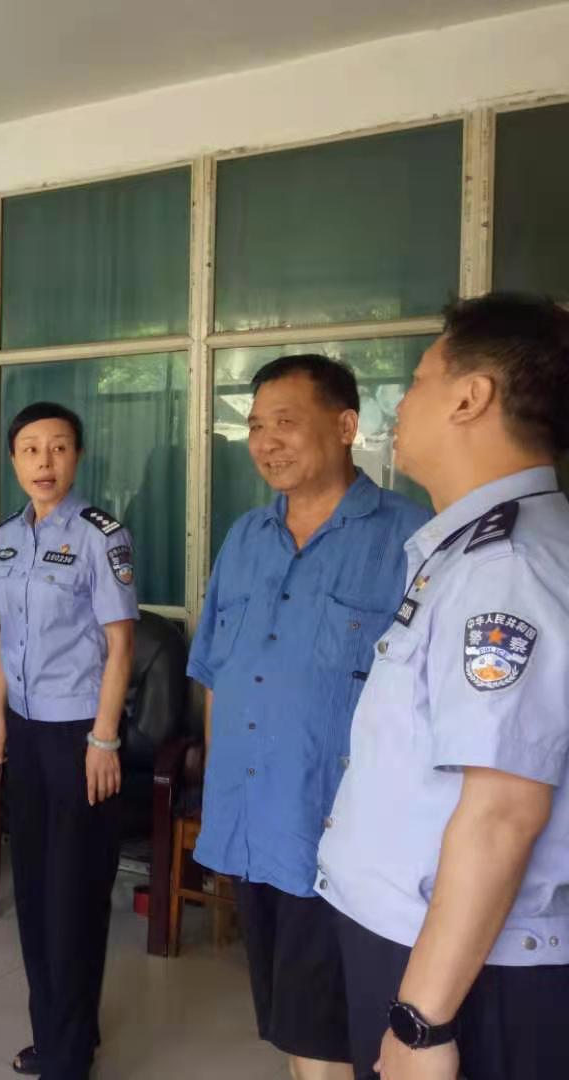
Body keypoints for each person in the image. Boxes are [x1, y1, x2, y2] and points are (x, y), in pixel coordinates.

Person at [317, 294, 569, 1080]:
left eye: (420, 379)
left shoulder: (505, 568)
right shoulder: (470, 550)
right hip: (431, 940)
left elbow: (503, 812)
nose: (401, 403)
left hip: (467, 969)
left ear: (471, 397)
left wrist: (421, 1023)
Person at [187, 356, 431, 1080]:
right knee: (295, 1029)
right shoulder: (245, 538)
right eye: (255, 426)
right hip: (252, 828)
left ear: (346, 425)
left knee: (336, 1041)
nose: (266, 442)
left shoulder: (412, 538)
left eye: (285, 422)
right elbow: (217, 676)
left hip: (346, 844)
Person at [0, 401, 137, 1080]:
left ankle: (68, 1057)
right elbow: (6, 639)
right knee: (35, 891)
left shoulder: (103, 536)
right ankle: (56, 1032)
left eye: (59, 447)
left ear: (77, 456)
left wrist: (104, 740)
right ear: (13, 459)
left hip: (79, 733)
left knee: (74, 896)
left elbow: (121, 644)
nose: (44, 462)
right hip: (23, 728)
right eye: (30, 449)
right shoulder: (5, 537)